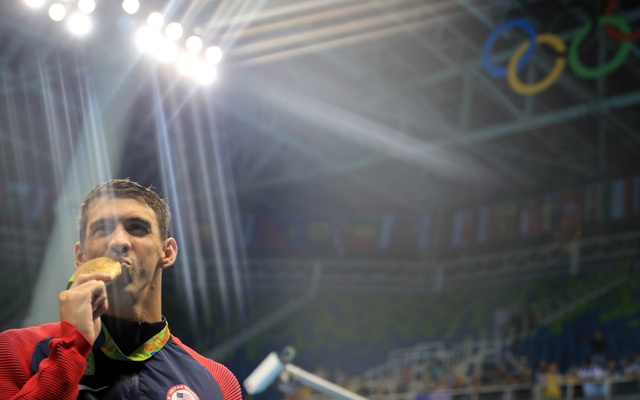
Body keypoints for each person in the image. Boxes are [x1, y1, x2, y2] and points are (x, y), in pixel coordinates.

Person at [0, 179, 242, 399]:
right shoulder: (17, 349)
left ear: (167, 253)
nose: (119, 242)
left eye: (137, 228)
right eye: (102, 229)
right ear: (80, 255)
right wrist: (72, 348)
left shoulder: (218, 381)